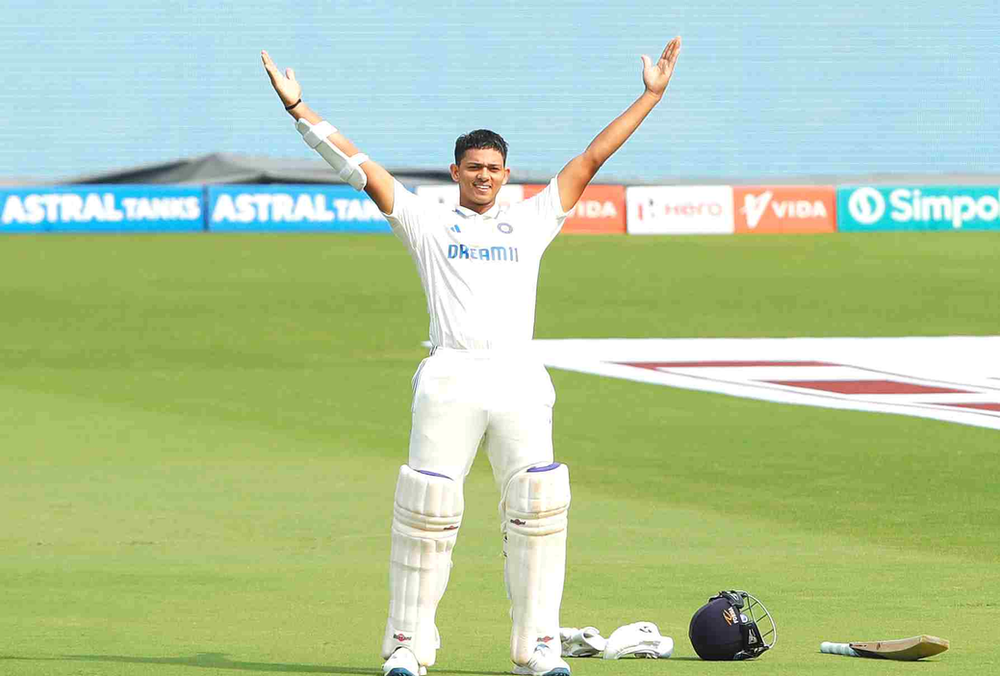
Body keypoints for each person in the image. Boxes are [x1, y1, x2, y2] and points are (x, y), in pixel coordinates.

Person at [261, 37, 681, 676]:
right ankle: (408, 646)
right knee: (427, 510)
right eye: (473, 167)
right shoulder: (428, 224)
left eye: (494, 167)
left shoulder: (533, 220)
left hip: (517, 375)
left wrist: (649, 96)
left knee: (538, 508)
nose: (484, 175)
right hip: (451, 374)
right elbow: (360, 167)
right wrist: (300, 110)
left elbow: (593, 156)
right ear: (455, 172)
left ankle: (538, 648)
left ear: (506, 175)